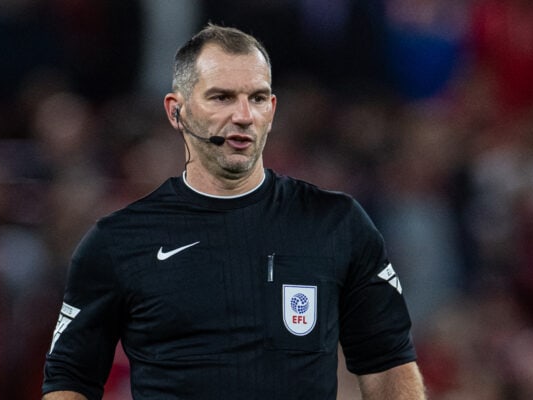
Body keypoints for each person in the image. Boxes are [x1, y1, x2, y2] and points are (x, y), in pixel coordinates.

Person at [41, 24, 426, 399]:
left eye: (257, 98)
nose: (243, 115)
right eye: (222, 97)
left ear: (272, 110)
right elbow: (71, 377)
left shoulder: (336, 223)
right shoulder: (118, 241)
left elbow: (388, 363)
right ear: (177, 111)